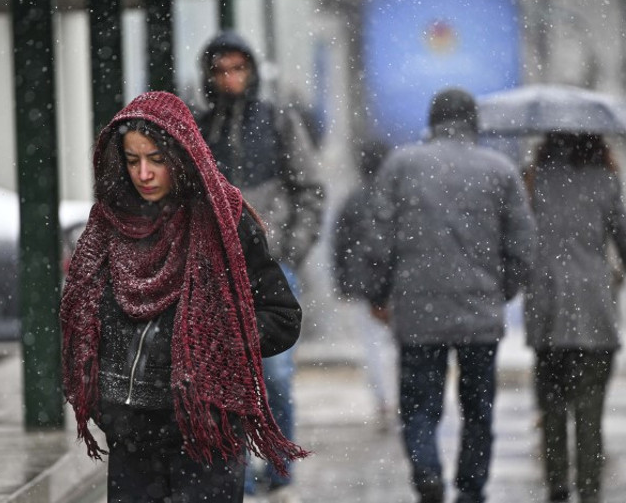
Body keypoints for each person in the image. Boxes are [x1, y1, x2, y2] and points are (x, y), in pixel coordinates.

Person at [60, 91, 308, 503]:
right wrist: (109, 407)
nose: (143, 173)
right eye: (132, 160)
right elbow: (83, 317)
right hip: (132, 437)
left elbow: (281, 317)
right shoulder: (109, 225)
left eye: (156, 159)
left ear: (181, 156)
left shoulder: (224, 221)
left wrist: (211, 343)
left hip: (207, 435)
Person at [362, 88, 536, 503]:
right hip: (479, 312)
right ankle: (471, 489)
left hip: (417, 311)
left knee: (419, 405)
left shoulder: (401, 165)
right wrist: (501, 290)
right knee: (478, 409)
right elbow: (523, 245)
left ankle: (427, 471)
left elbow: (377, 238)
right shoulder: (500, 170)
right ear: (473, 122)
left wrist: (379, 293)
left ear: (433, 121)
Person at [196, 31, 325, 502]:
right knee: (224, 375)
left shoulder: (277, 122)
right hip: (214, 272)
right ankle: (239, 472)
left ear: (251, 71)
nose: (230, 79)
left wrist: (289, 249)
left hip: (271, 269)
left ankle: (277, 462)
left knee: (275, 374)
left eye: (238, 69)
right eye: (221, 70)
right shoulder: (200, 128)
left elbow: (309, 189)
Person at [523, 132, 626, 503]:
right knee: (589, 409)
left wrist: (518, 280)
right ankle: (588, 488)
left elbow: (517, 240)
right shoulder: (604, 180)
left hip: (547, 312)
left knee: (552, 407)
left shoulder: (534, 179)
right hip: (593, 311)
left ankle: (557, 484)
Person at [332, 139, 395, 431]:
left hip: (362, 286)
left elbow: (339, 245)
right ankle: (396, 399)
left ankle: (383, 401)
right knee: (394, 346)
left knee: (373, 347)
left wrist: (343, 283)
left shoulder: (353, 200)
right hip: (395, 286)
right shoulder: (395, 198)